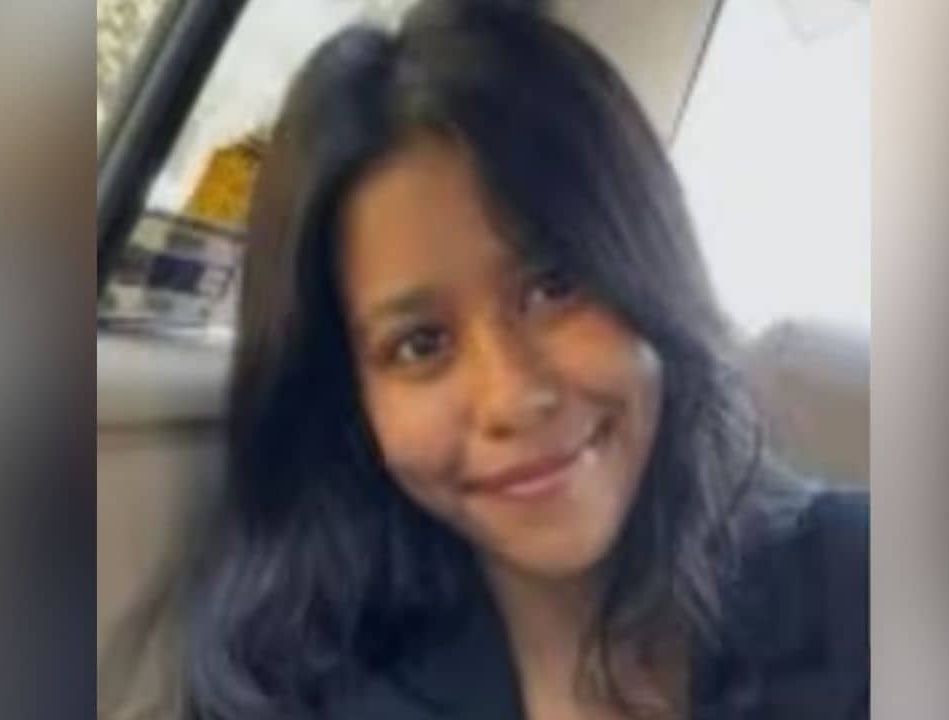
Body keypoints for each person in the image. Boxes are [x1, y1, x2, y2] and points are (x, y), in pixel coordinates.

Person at [176, 2, 868, 718]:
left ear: (648, 270)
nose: (513, 396)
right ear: (351, 400)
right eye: (420, 344)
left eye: (555, 287)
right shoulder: (300, 687)